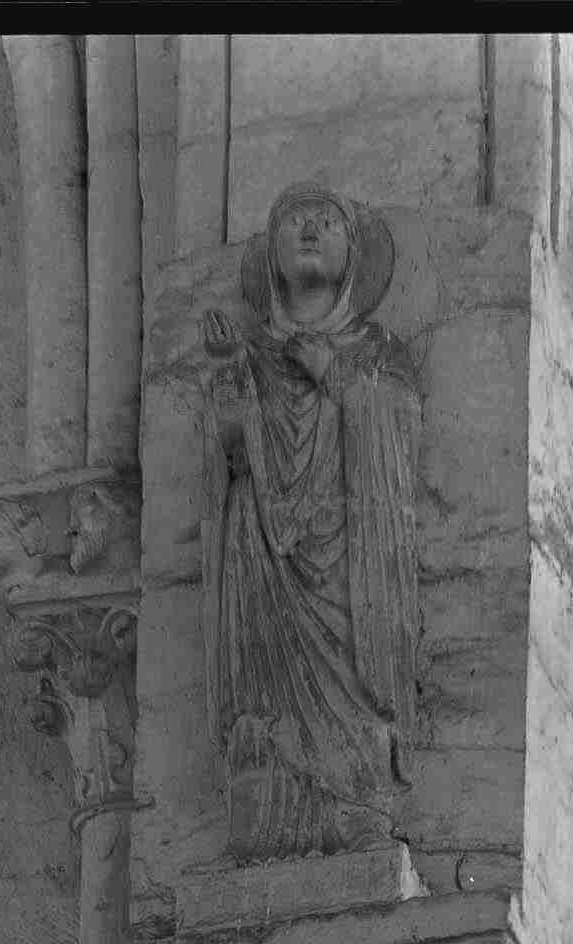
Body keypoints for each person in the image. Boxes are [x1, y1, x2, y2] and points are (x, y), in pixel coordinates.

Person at [202, 182, 421, 864]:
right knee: (265, 684)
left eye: (326, 223)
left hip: (348, 546)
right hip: (265, 546)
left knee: (353, 676)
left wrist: (334, 373)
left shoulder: (375, 349)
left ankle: (358, 806)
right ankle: (273, 813)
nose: (308, 231)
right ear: (269, 252)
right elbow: (230, 453)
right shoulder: (252, 351)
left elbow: (393, 434)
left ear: (353, 254)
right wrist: (229, 382)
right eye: (294, 222)